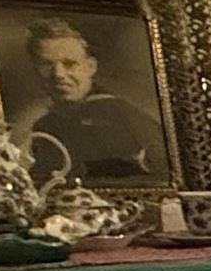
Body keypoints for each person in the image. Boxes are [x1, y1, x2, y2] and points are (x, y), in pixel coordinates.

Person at [21, 18, 157, 181]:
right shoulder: (45, 125)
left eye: (69, 64)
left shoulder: (120, 116)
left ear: (91, 67)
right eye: (46, 64)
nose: (58, 74)